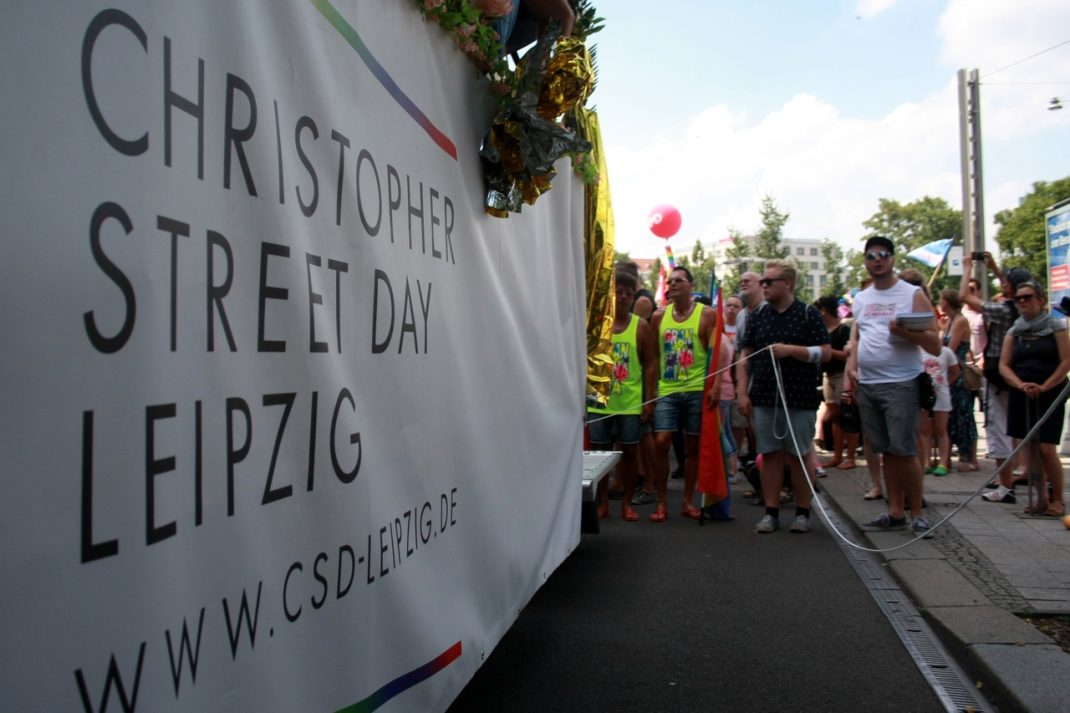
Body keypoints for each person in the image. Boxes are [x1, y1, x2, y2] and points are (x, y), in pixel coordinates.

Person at [845, 236, 941, 536]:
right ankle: (894, 510)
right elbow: (858, 337)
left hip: (901, 381)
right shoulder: (861, 298)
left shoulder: (911, 294)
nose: (878, 260)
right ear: (865, 260)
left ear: (892, 259)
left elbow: (935, 344)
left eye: (883, 255)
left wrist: (906, 333)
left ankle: (917, 513)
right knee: (885, 450)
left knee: (905, 450)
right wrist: (852, 368)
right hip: (869, 383)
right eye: (872, 255)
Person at [736, 260, 830, 534]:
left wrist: (793, 351)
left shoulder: (808, 315)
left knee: (799, 455)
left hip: (799, 397)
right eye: (762, 281)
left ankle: (803, 513)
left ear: (787, 283)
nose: (763, 286)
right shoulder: (758, 316)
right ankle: (771, 512)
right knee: (769, 454)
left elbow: (825, 352)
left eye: (768, 281)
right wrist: (743, 392)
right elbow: (745, 356)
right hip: (764, 396)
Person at [959, 254, 1032, 500]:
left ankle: (1005, 485)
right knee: (1019, 428)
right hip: (1020, 374)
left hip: (999, 375)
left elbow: (964, 298)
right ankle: (1021, 474)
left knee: (998, 428)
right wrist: (996, 270)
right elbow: (1012, 288)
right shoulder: (1028, 312)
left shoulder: (1002, 311)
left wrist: (968, 267)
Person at [649, 267, 718, 522]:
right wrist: (652, 390)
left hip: (697, 389)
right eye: (670, 281)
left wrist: (716, 385)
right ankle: (661, 501)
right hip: (667, 389)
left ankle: (688, 501)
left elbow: (716, 356)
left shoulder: (707, 314)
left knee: (692, 446)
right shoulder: (658, 316)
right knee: (661, 441)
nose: (672, 284)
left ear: (691, 285)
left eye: (679, 281)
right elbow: (655, 358)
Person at [587, 271, 657, 520]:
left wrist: (649, 400)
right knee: (600, 455)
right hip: (599, 401)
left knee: (629, 454)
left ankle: (626, 503)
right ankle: (602, 501)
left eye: (629, 292)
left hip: (630, 403)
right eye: (619, 291)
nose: (624, 296)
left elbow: (650, 364)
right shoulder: (597, 323)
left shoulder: (641, 326)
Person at [996, 281, 1069, 516]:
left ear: (1040, 300)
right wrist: (1019, 384)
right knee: (1032, 449)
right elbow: (1004, 365)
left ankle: (1058, 498)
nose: (1022, 302)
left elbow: (1066, 361)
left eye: (1027, 297)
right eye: (1018, 299)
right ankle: (1040, 499)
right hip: (1023, 392)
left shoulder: (1055, 327)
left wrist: (1046, 385)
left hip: (1051, 392)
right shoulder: (1014, 331)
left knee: (1047, 448)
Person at [939, 289, 979, 471]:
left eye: (941, 299)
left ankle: (971, 459)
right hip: (950, 373)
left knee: (964, 416)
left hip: (959, 374)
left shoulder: (960, 321)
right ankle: (952, 457)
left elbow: (949, 349)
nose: (940, 302)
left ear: (947, 301)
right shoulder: (949, 321)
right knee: (953, 416)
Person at [814, 295, 856, 470]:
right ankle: (837, 455)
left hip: (842, 374)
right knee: (836, 418)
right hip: (828, 375)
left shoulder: (844, 329)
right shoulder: (821, 331)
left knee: (848, 417)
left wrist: (828, 351)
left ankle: (851, 457)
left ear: (824, 310)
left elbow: (848, 355)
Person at [918, 344, 958, 477]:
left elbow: (954, 372)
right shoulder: (917, 350)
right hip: (923, 396)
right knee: (924, 430)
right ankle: (926, 462)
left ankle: (943, 462)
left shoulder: (946, 351)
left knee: (941, 429)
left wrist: (944, 384)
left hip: (942, 395)